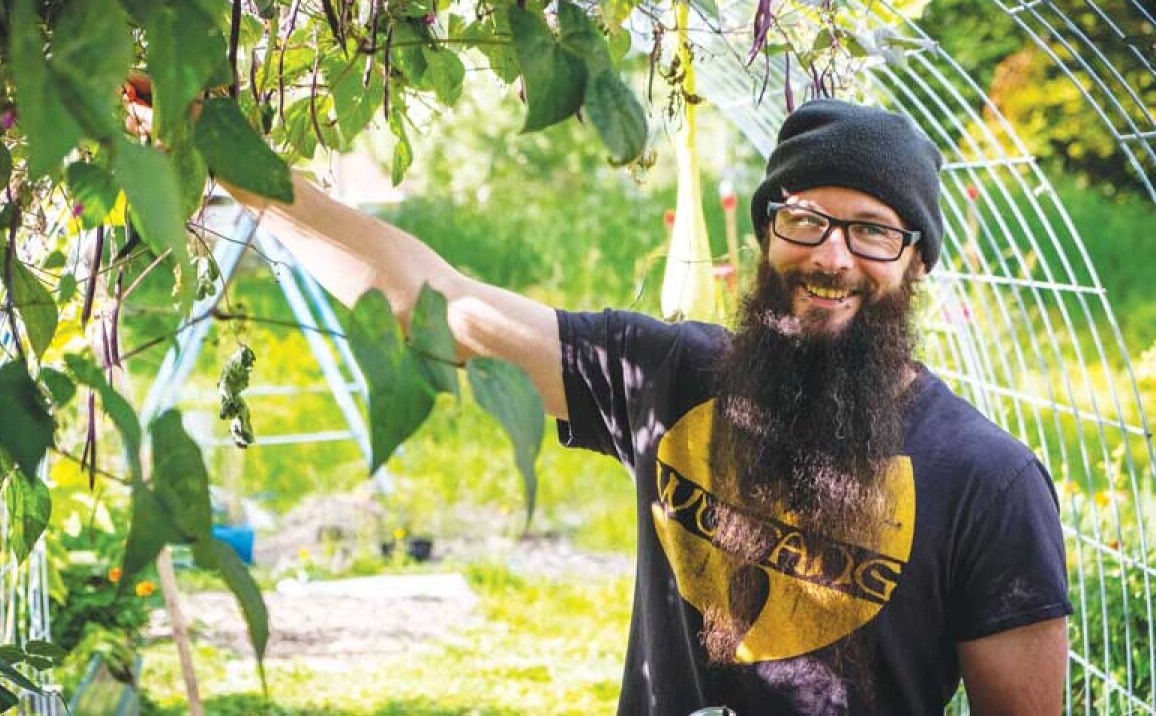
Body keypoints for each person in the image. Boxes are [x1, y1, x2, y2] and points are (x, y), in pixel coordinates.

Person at [131, 86, 1070, 713]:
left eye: (871, 231)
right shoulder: (668, 381)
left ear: (914, 263)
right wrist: (237, 171)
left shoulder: (989, 482)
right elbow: (439, 303)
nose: (831, 256)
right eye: (806, 220)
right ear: (767, 236)